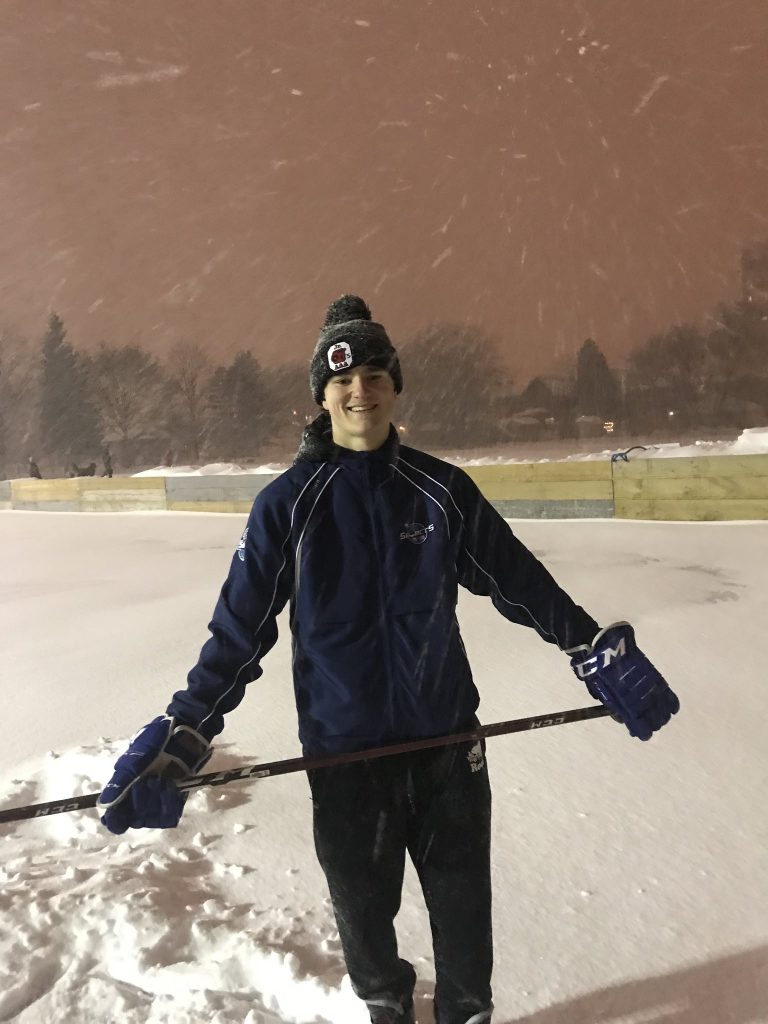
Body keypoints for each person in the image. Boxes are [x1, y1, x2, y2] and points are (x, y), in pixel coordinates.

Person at [98, 295, 680, 1024]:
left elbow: (519, 581)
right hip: (346, 766)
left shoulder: (441, 491)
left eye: (374, 374)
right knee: (368, 934)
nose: (360, 390)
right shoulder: (287, 506)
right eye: (342, 379)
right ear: (322, 395)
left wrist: (591, 649)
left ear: (394, 387)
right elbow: (239, 634)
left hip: (447, 755)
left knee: (466, 932)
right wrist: (186, 730)